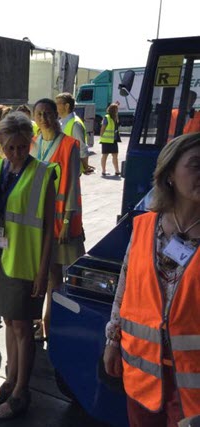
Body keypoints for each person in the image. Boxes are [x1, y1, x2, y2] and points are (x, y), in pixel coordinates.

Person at [103, 133, 200, 427]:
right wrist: (112, 340)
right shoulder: (145, 225)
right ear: (169, 174)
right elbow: (125, 287)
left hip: (193, 386)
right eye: (195, 164)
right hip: (143, 372)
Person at [0, 112, 56, 419]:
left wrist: (43, 271)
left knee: (23, 327)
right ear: (0, 145)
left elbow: (50, 228)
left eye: (22, 147)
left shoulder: (44, 173)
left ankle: (22, 392)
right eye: (10, 148)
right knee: (9, 322)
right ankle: (10, 381)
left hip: (26, 262)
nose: (16, 154)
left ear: (30, 143)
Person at [30, 98, 85, 341]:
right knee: (36, 273)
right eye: (39, 114)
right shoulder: (32, 143)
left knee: (54, 276)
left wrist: (66, 222)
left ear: (56, 115)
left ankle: (50, 324)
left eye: (48, 113)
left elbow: (73, 185)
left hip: (59, 218)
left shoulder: (70, 144)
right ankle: (36, 320)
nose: (43, 118)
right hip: (35, 218)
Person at [56, 92, 95, 175]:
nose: (56, 107)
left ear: (66, 106)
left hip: (71, 170)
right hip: (61, 168)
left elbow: (82, 148)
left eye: (58, 104)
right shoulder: (61, 123)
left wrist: (85, 166)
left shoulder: (75, 124)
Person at [100, 103, 121, 176]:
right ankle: (103, 171)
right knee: (105, 156)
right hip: (107, 140)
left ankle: (117, 171)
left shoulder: (115, 118)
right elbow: (103, 128)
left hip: (113, 140)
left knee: (115, 155)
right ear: (113, 110)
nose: (117, 111)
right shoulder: (107, 117)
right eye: (116, 109)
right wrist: (101, 137)